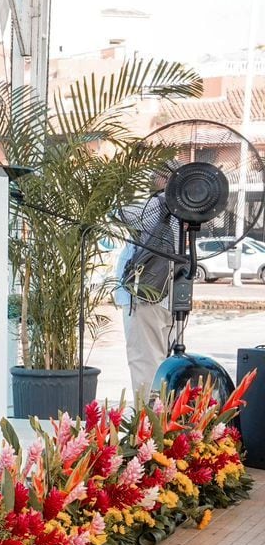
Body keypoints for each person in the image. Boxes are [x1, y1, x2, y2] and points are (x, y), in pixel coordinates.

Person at [115, 168, 179, 395]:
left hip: (146, 296)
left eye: (154, 175)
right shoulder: (186, 207)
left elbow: (121, 213)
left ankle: (148, 423)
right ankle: (162, 418)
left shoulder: (160, 204)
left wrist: (118, 185)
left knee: (144, 362)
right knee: (161, 360)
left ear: (165, 178)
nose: (151, 180)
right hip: (168, 295)